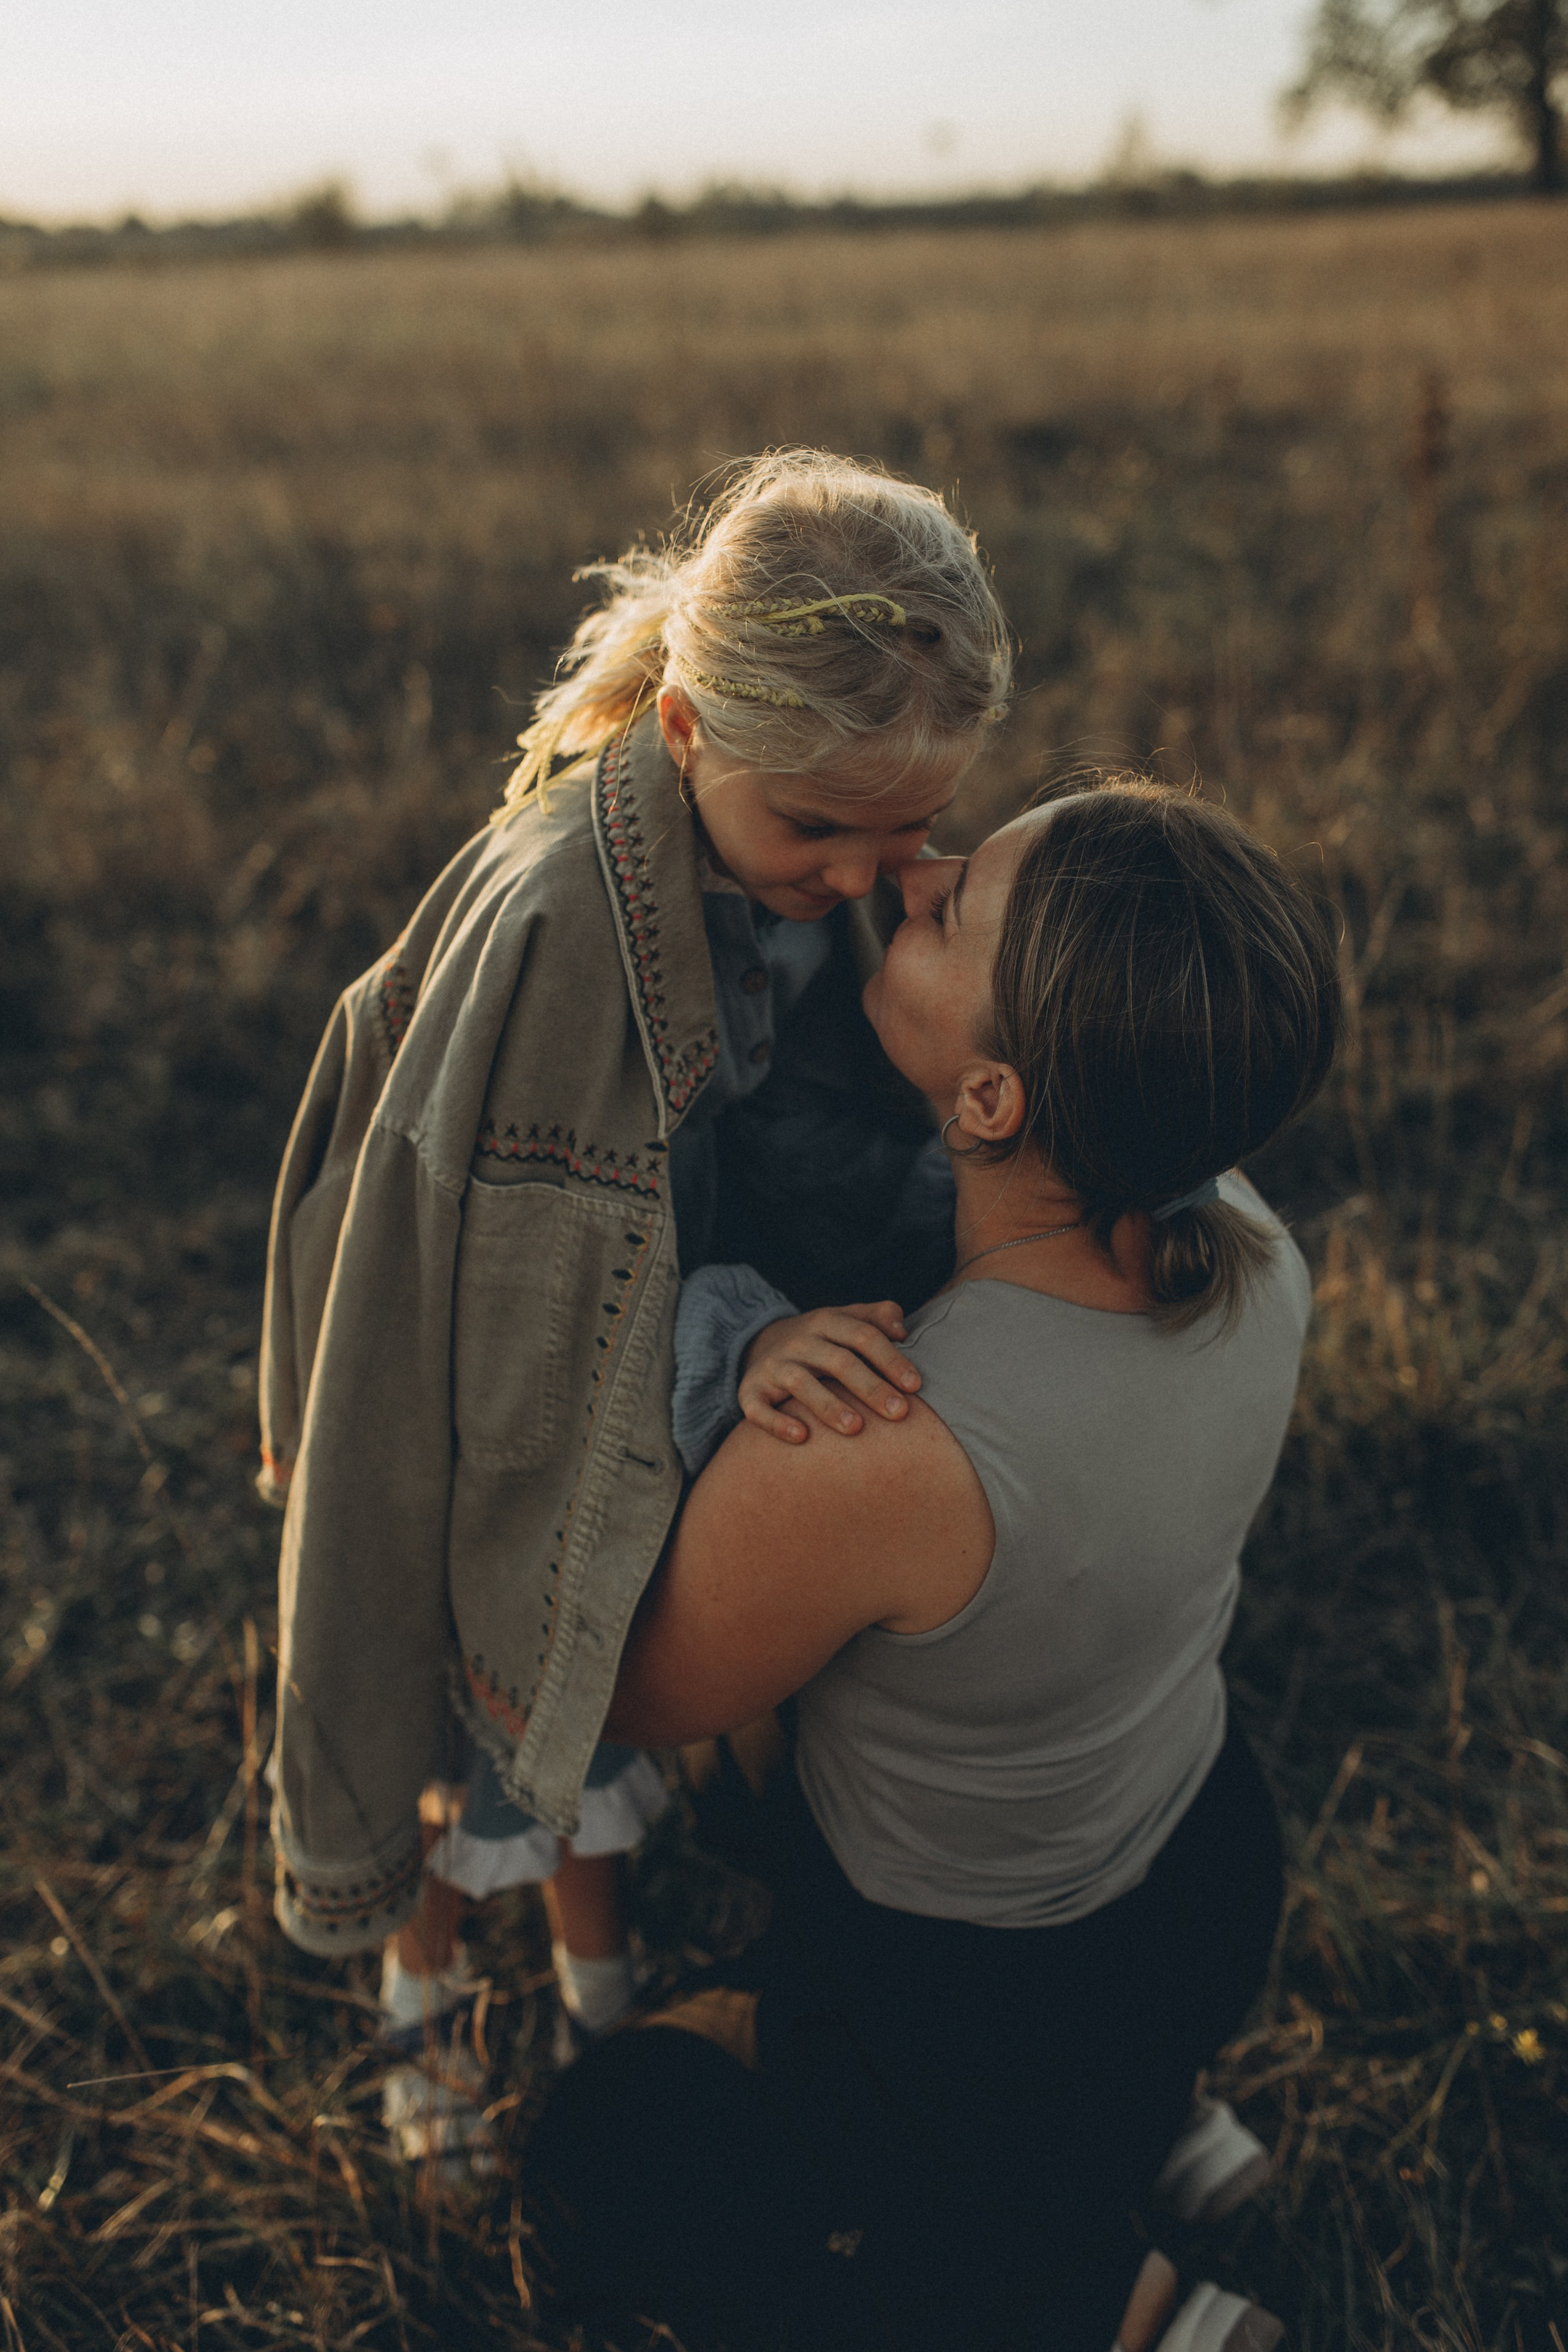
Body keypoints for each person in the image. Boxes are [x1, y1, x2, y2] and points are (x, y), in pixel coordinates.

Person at [256, 449, 1012, 2163]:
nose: (852, 868)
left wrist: (942, 1206)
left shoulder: (801, 882)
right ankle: (420, 2012)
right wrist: (739, 1337)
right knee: (442, 1686)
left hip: (600, 1378)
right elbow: (532, 1281)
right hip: (450, 1380)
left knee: (576, 1726)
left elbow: (785, 1124)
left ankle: (607, 2012)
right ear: (684, 729)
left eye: (905, 828)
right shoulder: (559, 919)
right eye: (816, 827)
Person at [541, 777, 1339, 2351]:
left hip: (965, 2002)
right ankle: (1142, 2123)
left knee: (606, 2160)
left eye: (952, 905)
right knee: (1050, 2063)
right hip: (1196, 1879)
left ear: (988, 1102)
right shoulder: (1251, 1244)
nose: (917, 868)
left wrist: (717, 1342)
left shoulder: (876, 1444)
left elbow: (615, 1696)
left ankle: (1108, 2298)